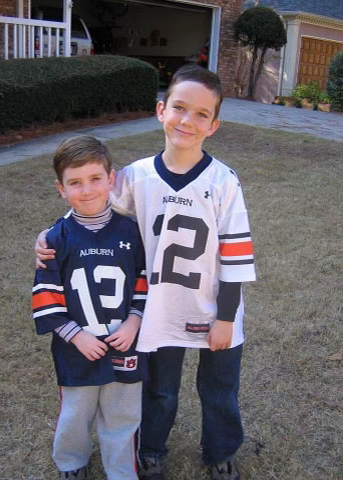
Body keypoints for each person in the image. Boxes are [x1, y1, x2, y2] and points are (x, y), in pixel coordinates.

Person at [35, 65, 256, 480]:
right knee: (159, 390)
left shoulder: (224, 181)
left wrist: (226, 316)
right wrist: (51, 234)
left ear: (214, 125)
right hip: (158, 308)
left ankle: (221, 450)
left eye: (201, 114)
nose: (187, 121)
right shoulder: (136, 176)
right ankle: (152, 450)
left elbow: (236, 253)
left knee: (220, 389)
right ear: (161, 110)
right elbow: (92, 206)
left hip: (215, 308)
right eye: (179, 108)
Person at [32, 135, 148, 480]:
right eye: (75, 183)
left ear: (111, 179)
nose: (87, 190)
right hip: (76, 348)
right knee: (75, 414)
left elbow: (144, 282)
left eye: (95, 178)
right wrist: (75, 335)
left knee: (123, 414)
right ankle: (71, 462)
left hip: (125, 342)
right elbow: (46, 297)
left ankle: (121, 470)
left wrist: (133, 322)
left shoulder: (133, 232)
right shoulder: (54, 239)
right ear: (61, 188)